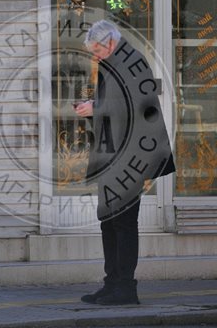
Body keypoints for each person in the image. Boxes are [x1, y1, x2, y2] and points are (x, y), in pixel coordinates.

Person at [74, 20, 175, 305]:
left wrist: (95, 107)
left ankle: (126, 288)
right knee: (108, 220)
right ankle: (112, 283)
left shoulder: (133, 63)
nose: (95, 56)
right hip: (113, 156)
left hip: (131, 158)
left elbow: (133, 106)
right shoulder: (113, 64)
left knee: (124, 222)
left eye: (96, 50)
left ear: (108, 43)